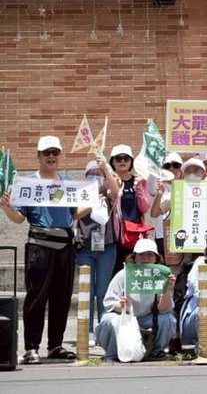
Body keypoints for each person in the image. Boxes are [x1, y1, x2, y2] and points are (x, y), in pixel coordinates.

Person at [0, 136, 88, 364]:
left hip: (65, 246)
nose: (51, 157)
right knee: (36, 298)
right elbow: (19, 218)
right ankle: (31, 348)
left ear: (59, 156)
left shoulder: (67, 181)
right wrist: (6, 207)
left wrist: (93, 203)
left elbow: (74, 213)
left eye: (55, 153)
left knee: (62, 297)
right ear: (38, 156)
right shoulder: (27, 184)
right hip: (40, 246)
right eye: (46, 153)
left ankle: (55, 345)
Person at [95, 238, 176, 362]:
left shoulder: (160, 276)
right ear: (134, 257)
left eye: (149, 255)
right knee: (107, 320)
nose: (145, 258)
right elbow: (108, 303)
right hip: (125, 318)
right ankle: (113, 354)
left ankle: (156, 351)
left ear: (156, 258)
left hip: (148, 318)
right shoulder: (123, 275)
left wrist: (166, 289)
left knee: (168, 319)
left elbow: (164, 309)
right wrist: (120, 305)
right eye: (141, 254)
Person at [75, 159, 121, 346]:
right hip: (85, 246)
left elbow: (116, 192)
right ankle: (87, 331)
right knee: (87, 290)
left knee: (103, 290)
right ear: (85, 177)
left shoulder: (107, 191)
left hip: (107, 247)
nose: (95, 177)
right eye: (91, 173)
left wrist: (106, 169)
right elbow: (74, 214)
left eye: (98, 174)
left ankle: (103, 329)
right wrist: (91, 203)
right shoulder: (79, 192)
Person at [109, 144, 153, 273]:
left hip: (135, 233)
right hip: (115, 234)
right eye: (118, 158)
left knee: (135, 270)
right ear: (112, 161)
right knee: (116, 270)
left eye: (126, 158)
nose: (122, 161)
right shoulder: (108, 181)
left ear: (131, 161)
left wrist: (139, 187)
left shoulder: (139, 180)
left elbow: (144, 208)